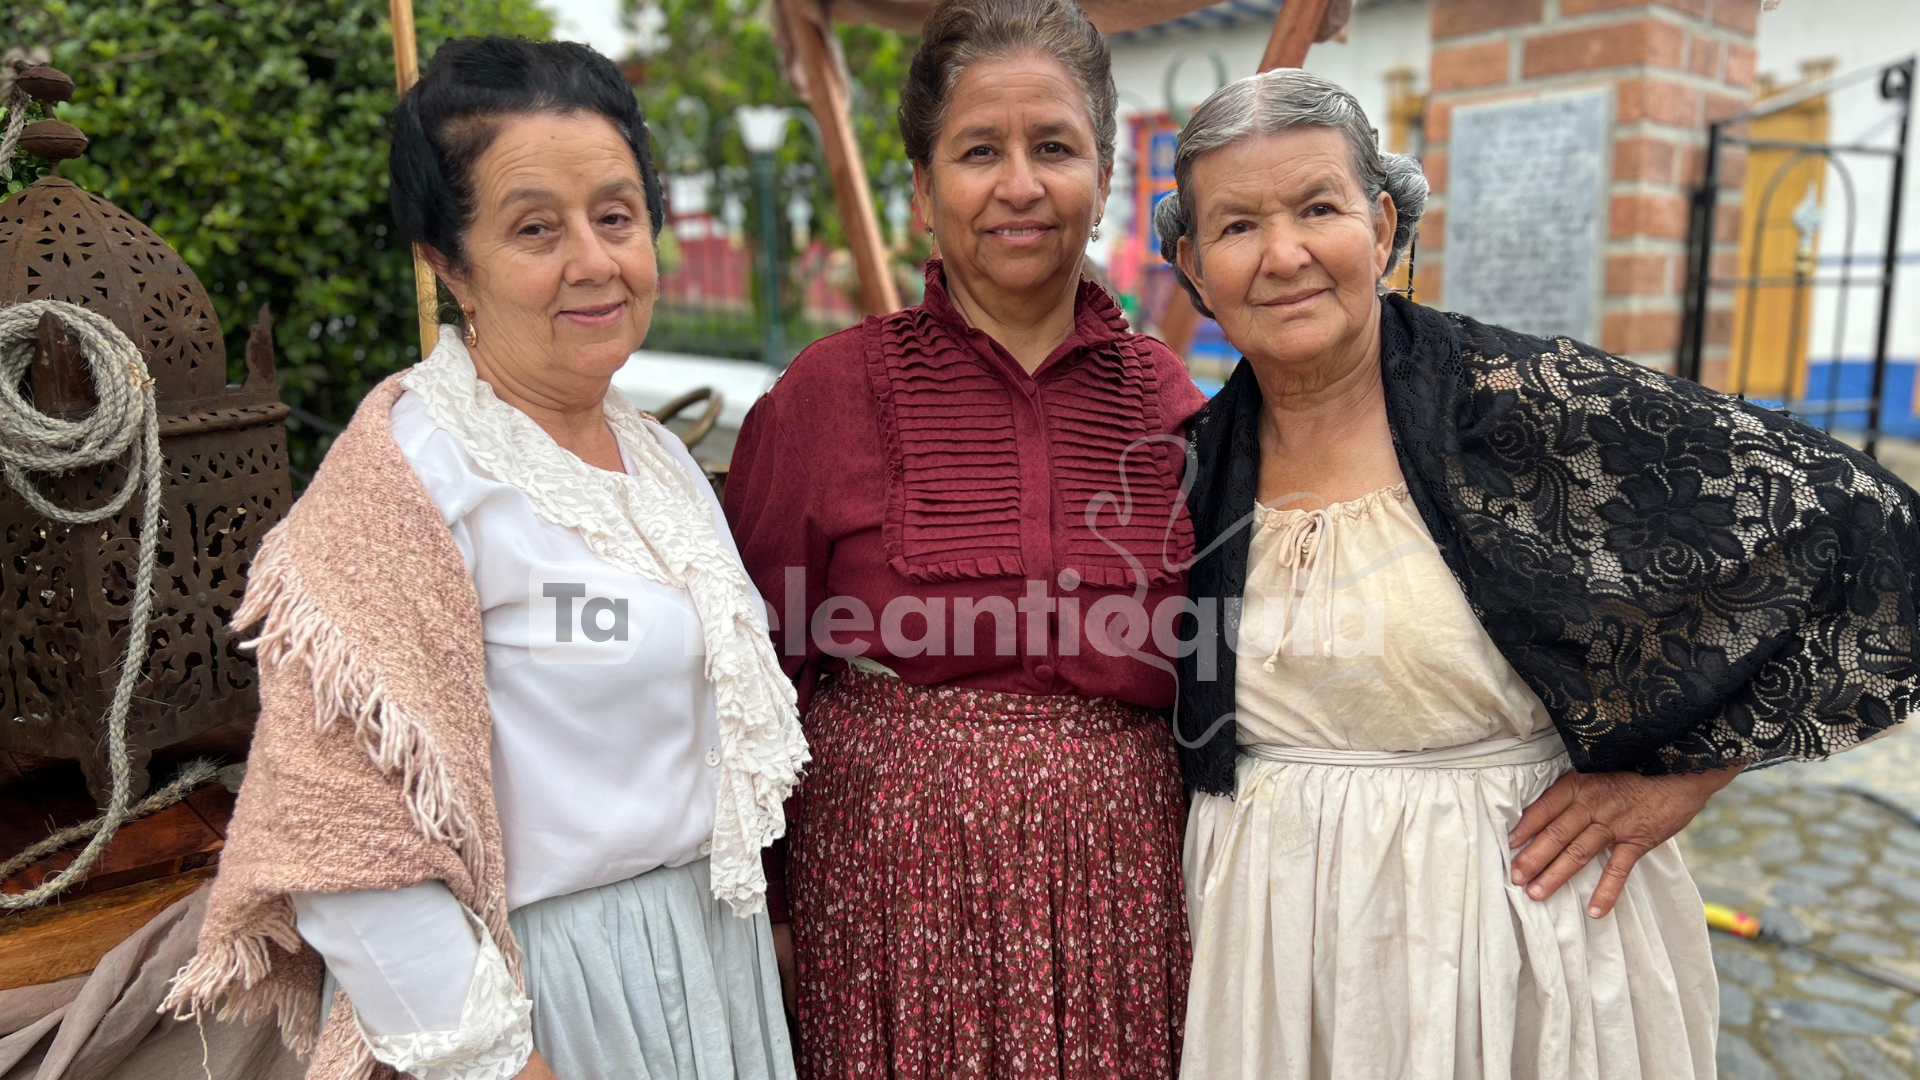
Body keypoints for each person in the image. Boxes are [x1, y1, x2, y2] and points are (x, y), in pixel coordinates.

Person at [1155, 69, 1919, 1080]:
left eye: (1318, 208)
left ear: (1382, 227)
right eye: (1238, 225)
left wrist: (1681, 781)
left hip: (1504, 932)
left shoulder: (1529, 409)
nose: (1284, 253)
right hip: (1271, 940)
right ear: (1195, 268)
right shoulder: (1191, 459)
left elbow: (1867, 532)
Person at [164, 38, 808, 1080]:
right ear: (446, 262)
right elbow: (347, 854)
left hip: (706, 965)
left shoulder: (656, 462)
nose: (594, 262)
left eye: (616, 215)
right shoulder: (402, 483)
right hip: (539, 1001)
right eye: (534, 229)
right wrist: (505, 1066)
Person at [722, 0, 1203, 1075]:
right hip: (888, 904)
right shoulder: (828, 394)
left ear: (1102, 180)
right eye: (979, 150)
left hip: (1124, 897)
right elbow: (747, 682)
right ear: (922, 191)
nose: (1020, 184)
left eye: (1054, 148)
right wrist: (777, 918)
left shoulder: (1167, 401)